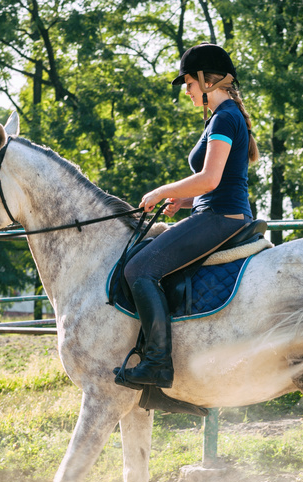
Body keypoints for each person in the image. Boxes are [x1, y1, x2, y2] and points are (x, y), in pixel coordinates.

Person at [116, 43, 260, 390]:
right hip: (214, 210)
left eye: (189, 83)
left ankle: (157, 364)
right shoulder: (221, 117)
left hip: (222, 216)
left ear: (206, 81)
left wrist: (164, 191)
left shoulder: (225, 117)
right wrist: (185, 201)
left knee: (138, 269)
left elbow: (210, 178)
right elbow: (216, 182)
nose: (187, 90)